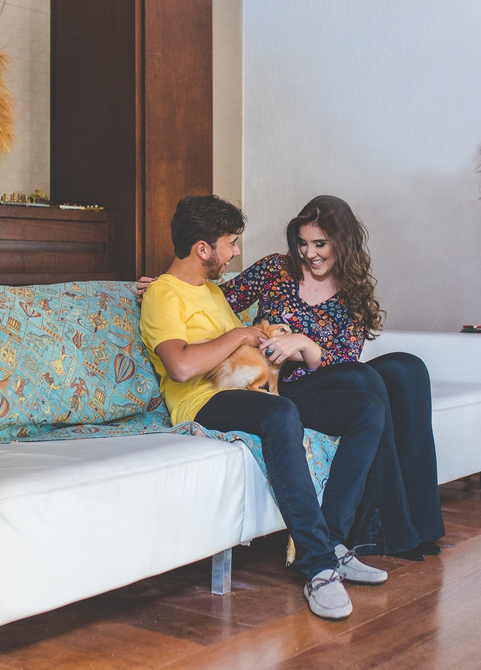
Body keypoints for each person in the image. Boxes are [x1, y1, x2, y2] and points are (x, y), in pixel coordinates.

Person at [139, 195, 389, 620]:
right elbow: (180, 366)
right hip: (203, 402)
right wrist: (239, 335)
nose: (235, 252)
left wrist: (260, 337)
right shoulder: (165, 295)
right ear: (204, 249)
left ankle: (334, 541)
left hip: (251, 390)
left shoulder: (215, 293)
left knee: (367, 410)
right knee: (282, 415)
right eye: (231, 243)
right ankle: (318, 566)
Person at [218, 195, 445, 559]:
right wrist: (172, 285)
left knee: (408, 369)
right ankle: (390, 528)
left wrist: (304, 343)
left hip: (329, 379)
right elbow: (219, 298)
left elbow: (344, 359)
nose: (310, 254)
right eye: (304, 244)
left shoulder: (351, 288)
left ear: (343, 241)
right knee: (364, 380)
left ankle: (421, 524)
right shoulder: (276, 269)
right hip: (284, 386)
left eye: (320, 244)